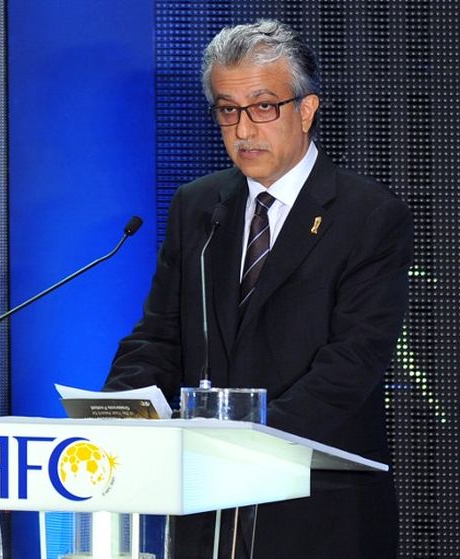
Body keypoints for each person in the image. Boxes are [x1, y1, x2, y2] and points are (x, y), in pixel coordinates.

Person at [103, 19, 412, 558]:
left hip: (316, 510)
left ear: (306, 109)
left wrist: (245, 442)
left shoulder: (369, 215)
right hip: (205, 508)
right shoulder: (198, 207)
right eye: (228, 110)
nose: (244, 130)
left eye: (263, 106)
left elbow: (353, 362)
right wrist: (118, 410)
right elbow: (160, 334)